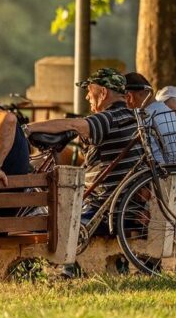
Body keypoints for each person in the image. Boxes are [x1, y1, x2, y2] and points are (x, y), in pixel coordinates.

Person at [25, 67, 139, 224]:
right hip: (126, 206)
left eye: (89, 91)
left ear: (104, 93)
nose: (87, 97)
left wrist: (28, 128)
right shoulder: (133, 117)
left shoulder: (107, 118)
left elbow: (73, 124)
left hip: (100, 209)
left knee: (33, 216)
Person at [124, 72, 176, 165]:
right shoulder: (169, 113)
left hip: (164, 173)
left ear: (130, 97)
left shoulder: (142, 118)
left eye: (123, 98)